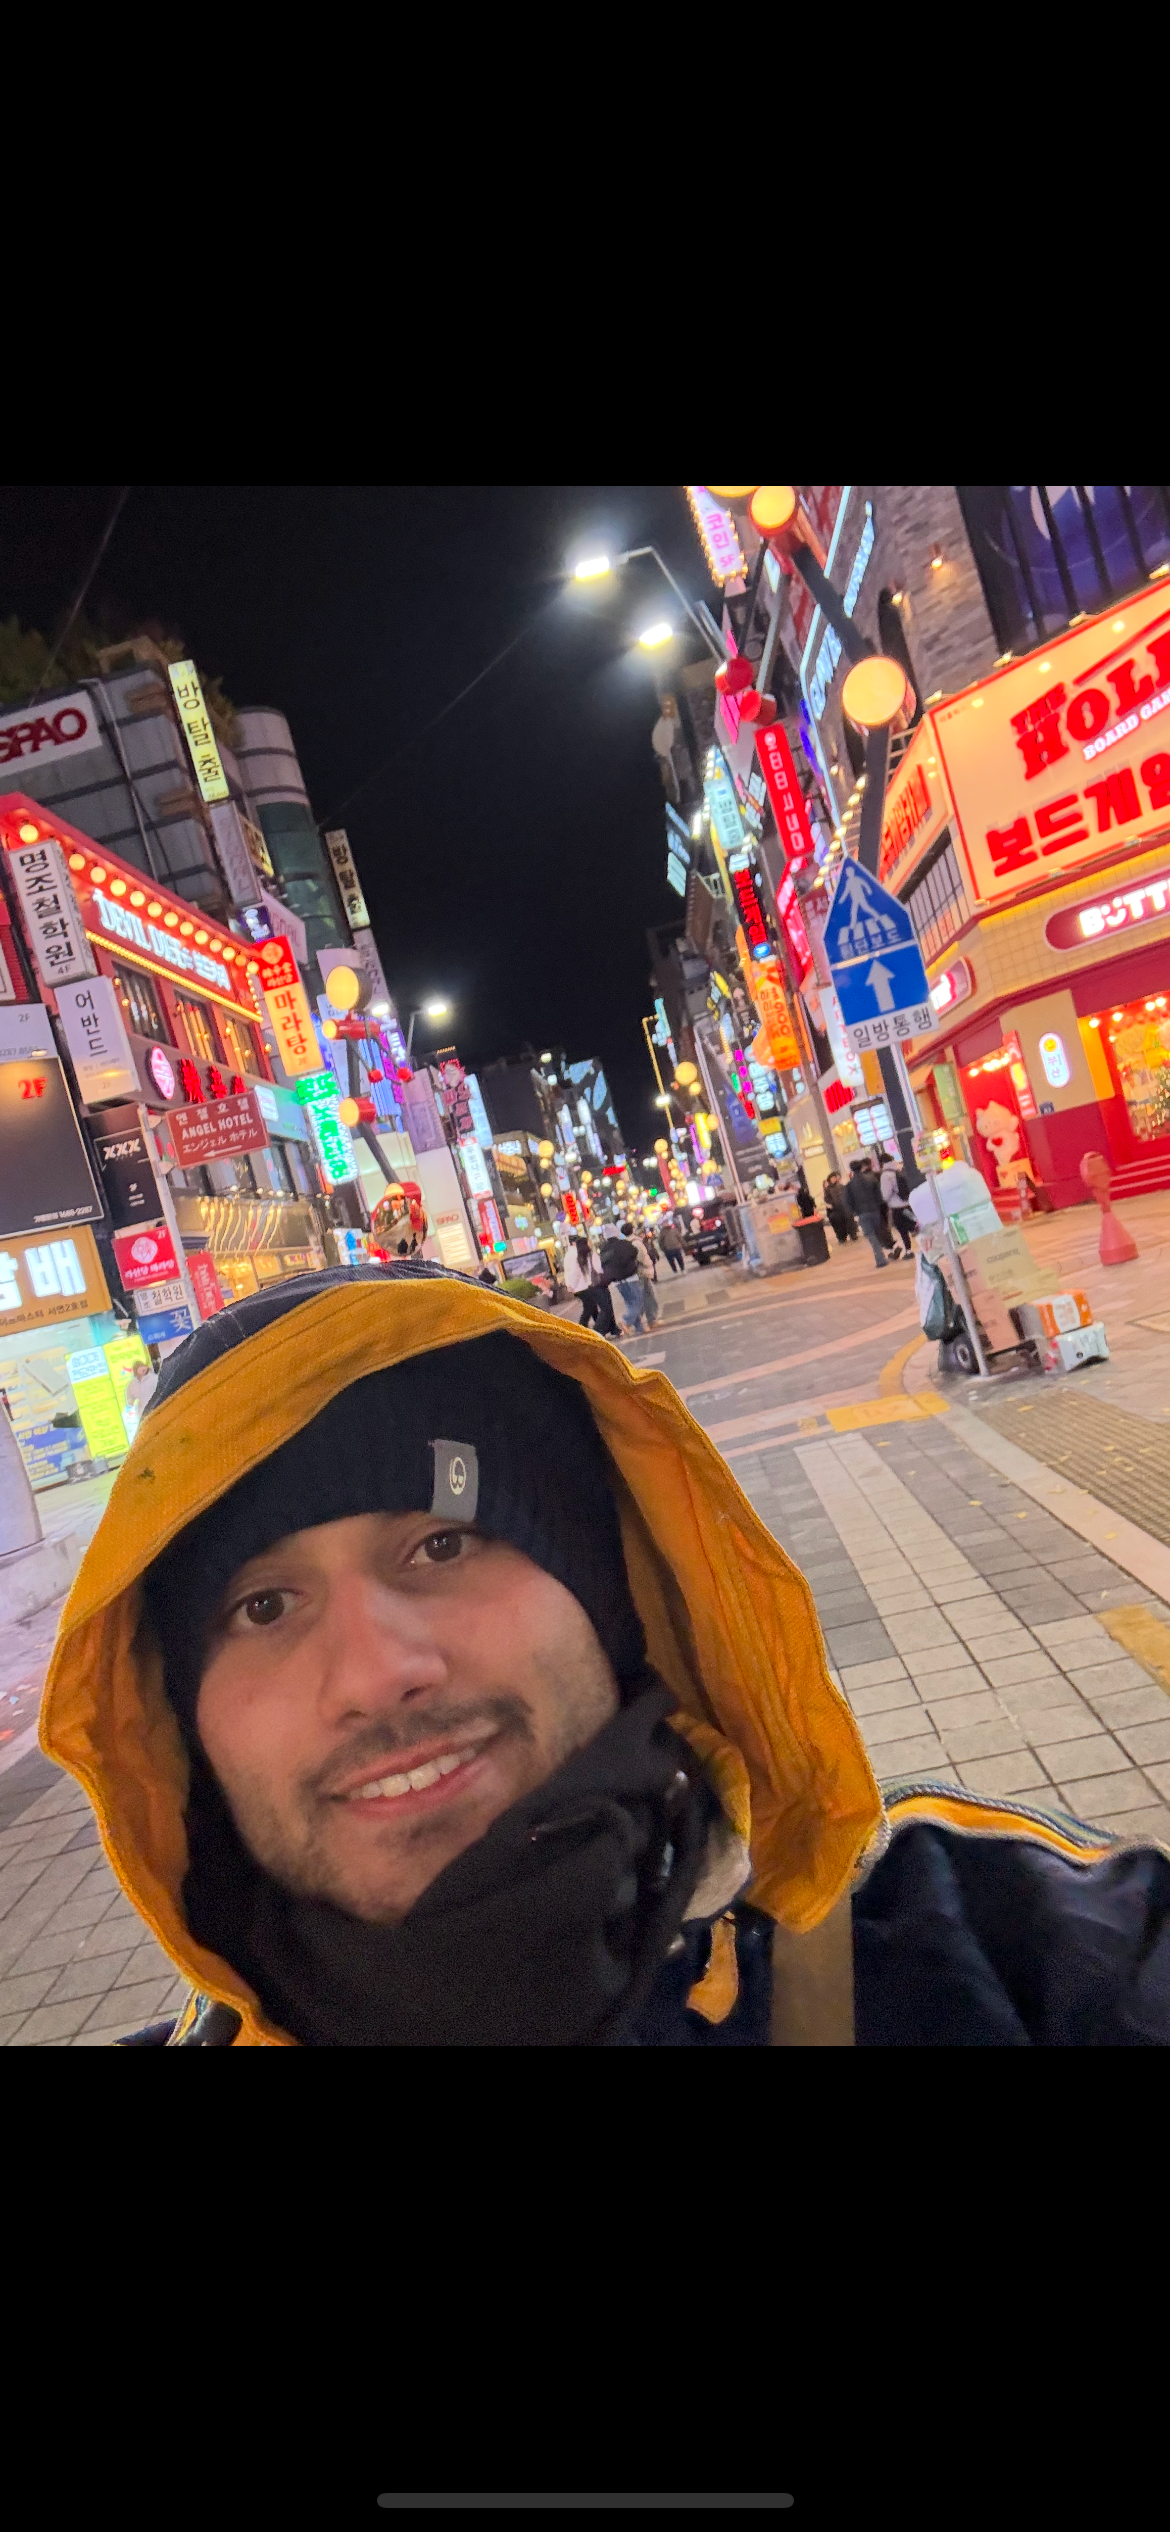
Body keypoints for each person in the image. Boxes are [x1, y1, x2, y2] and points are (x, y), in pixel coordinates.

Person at [43, 1257, 1170, 2048]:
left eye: (443, 1541)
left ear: (609, 1599)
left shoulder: (1005, 1952)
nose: (375, 1671)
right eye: (262, 1608)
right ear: (182, 1718)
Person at [564, 1237, 616, 1338]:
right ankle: (597, 1331)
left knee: (593, 1308)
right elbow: (598, 1269)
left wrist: (571, 1286)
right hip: (593, 1285)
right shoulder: (590, 1254)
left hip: (587, 1286)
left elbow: (573, 1272)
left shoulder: (576, 1255)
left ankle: (608, 1329)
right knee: (601, 1308)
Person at [845, 1157, 891, 1268]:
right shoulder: (872, 1180)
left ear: (851, 1170)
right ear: (861, 1167)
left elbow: (848, 1202)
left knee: (871, 1235)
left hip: (862, 1213)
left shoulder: (849, 1186)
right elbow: (879, 1197)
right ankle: (885, 1252)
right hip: (875, 1210)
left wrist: (854, 1212)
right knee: (878, 1233)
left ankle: (880, 1259)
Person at [599, 1229, 645, 1336]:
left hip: (617, 1281)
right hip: (630, 1277)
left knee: (630, 1303)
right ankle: (626, 1321)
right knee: (638, 1301)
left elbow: (603, 1264)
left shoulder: (604, 1249)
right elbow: (634, 1252)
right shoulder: (624, 1244)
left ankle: (639, 1328)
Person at [878, 1151, 917, 1260]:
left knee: (903, 1230)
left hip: (896, 1208)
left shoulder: (885, 1175)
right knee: (914, 1225)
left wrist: (883, 1200)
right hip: (906, 1204)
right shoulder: (898, 1169)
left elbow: (886, 1194)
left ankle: (909, 1251)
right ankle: (919, 1245)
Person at [822, 1173, 856, 1247]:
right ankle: (842, 1237)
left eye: (835, 1177)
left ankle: (852, 1234)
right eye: (832, 1178)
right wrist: (832, 1205)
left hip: (844, 1208)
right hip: (836, 1210)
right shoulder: (828, 1189)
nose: (834, 1179)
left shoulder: (840, 1186)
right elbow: (827, 1200)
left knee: (849, 1221)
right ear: (830, 1179)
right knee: (839, 1225)